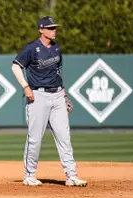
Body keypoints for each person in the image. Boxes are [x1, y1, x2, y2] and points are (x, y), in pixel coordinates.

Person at [11, 16, 87, 187]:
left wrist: (64, 92)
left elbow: (57, 72)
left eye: (55, 28)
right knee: (35, 138)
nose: (54, 30)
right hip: (38, 96)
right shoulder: (31, 48)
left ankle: (71, 175)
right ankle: (29, 175)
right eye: (51, 28)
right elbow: (15, 66)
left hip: (57, 95)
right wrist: (25, 86)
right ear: (41, 30)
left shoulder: (57, 48)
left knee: (64, 137)